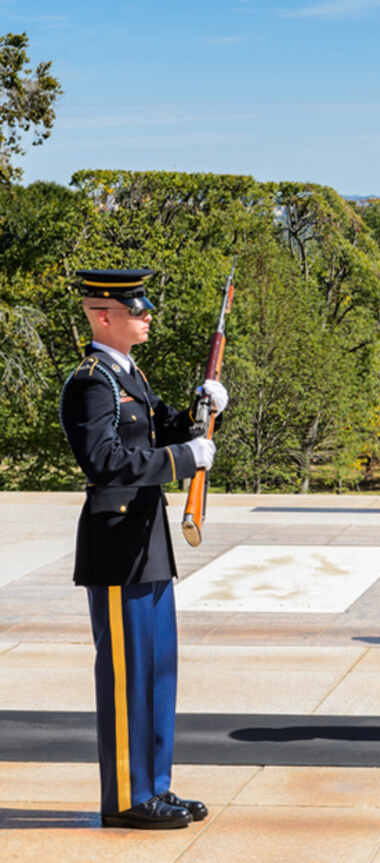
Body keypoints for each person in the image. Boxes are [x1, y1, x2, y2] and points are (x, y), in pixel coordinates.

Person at [59, 269, 228, 829]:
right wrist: (185, 460)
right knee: (128, 676)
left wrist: (202, 413)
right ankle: (129, 799)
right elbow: (104, 462)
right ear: (103, 316)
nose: (148, 315)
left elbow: (156, 434)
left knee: (156, 672)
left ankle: (155, 787)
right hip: (117, 545)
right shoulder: (92, 382)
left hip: (147, 543)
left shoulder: (129, 375)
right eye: (137, 309)